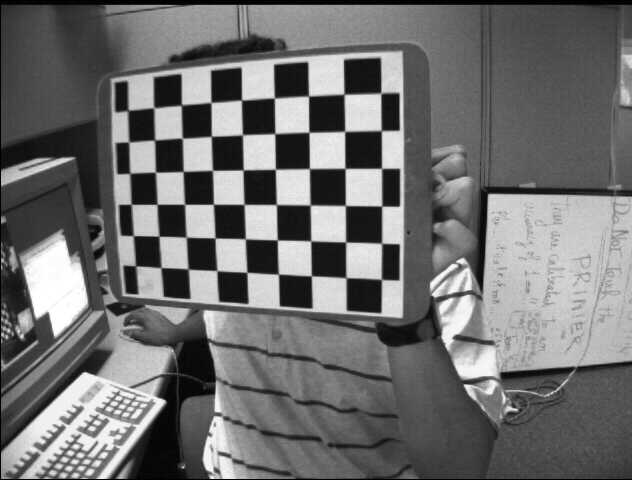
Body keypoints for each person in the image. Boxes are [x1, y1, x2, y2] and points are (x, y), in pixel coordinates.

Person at [124, 35, 511, 478]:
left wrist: (405, 314)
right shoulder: (221, 242)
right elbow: (227, 313)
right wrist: (178, 330)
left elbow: (459, 470)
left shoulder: (423, 269)